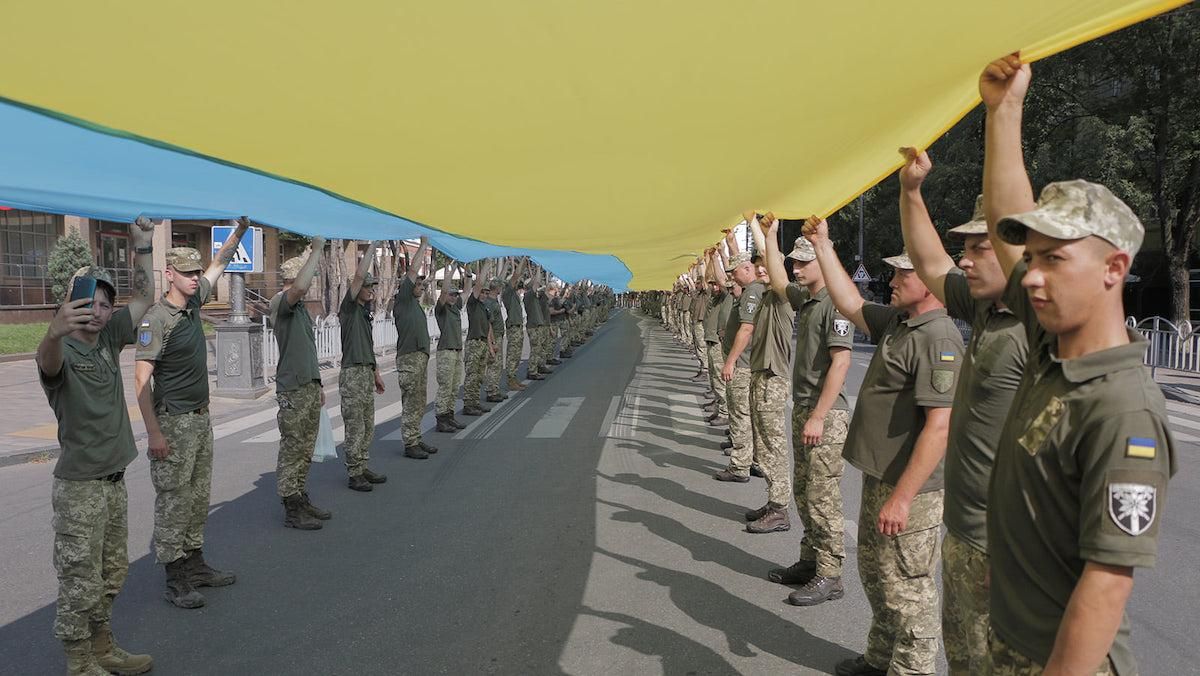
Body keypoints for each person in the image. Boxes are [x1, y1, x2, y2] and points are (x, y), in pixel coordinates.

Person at [981, 53, 1175, 676]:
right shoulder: (1053, 345)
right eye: (1032, 258)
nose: (1031, 276)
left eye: (1055, 259)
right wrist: (1004, 112)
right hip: (1012, 642)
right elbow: (1004, 221)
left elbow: (1107, 583)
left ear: (1114, 269)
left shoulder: (1123, 408)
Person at [807, 214, 962, 676]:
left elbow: (939, 427)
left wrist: (903, 497)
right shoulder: (900, 321)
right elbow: (850, 301)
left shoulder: (939, 338)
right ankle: (880, 659)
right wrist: (823, 245)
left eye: (901, 274)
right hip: (882, 478)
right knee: (877, 576)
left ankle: (912, 669)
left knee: (908, 588)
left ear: (930, 281)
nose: (891, 282)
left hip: (911, 490)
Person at [897, 150, 1027, 674]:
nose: (965, 260)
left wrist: (1003, 114)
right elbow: (931, 263)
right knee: (964, 661)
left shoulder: (1039, 328)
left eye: (980, 247)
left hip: (1004, 547)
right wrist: (910, 193)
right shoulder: (986, 309)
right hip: (965, 533)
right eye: (964, 249)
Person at [38, 217, 157, 676]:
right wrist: (53, 332)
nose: (98, 311)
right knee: (79, 582)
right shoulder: (61, 350)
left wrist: (142, 246)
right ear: (69, 306)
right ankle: (79, 661)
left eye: (105, 304)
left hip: (113, 482)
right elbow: (46, 363)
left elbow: (144, 298)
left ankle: (103, 647)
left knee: (111, 574)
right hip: (80, 488)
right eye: (88, 302)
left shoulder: (108, 338)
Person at [134, 219, 248, 609]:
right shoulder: (156, 319)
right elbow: (141, 380)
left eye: (196, 272)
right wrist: (154, 433)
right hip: (174, 422)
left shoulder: (194, 303)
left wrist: (239, 232)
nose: (196, 277)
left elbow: (220, 262)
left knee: (198, 498)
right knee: (174, 501)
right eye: (187, 273)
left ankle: (195, 564)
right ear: (170, 275)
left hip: (200, 419)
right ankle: (175, 578)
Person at [762, 227, 853, 607]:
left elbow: (841, 362)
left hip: (825, 415)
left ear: (821, 262)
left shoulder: (836, 302)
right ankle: (811, 560)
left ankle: (830, 574)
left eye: (803, 262)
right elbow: (778, 282)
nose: (796, 269)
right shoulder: (809, 299)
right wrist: (768, 237)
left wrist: (818, 415)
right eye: (794, 262)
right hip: (806, 409)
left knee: (823, 496)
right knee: (804, 492)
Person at [270, 237, 334, 530]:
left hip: (307, 385)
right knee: (293, 448)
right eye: (307, 277)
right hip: (292, 388)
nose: (310, 283)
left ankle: (300, 496)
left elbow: (307, 350)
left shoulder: (300, 310)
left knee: (306, 448)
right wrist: (316, 250)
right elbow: (297, 289)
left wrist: (317, 384)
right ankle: (291, 508)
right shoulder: (280, 302)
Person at [739, 214, 797, 535]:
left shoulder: (781, 297)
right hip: (760, 375)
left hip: (773, 379)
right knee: (763, 446)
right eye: (758, 266)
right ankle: (773, 501)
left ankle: (779, 509)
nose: (762, 270)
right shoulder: (762, 298)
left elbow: (773, 263)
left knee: (774, 446)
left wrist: (758, 228)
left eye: (766, 267)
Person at [338, 240, 389, 493]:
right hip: (352, 374)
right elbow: (358, 276)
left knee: (368, 424)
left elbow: (368, 347)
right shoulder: (348, 308)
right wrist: (372, 245)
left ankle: (362, 464)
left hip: (365, 372)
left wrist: (376, 373)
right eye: (367, 286)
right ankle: (354, 471)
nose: (370, 290)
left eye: (372, 287)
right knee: (355, 425)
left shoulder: (364, 313)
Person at [393, 236, 439, 458]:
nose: (421, 287)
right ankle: (410, 443)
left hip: (419, 357)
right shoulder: (403, 300)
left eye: (423, 285)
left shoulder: (415, 305)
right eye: (418, 285)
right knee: (411, 401)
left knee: (420, 401)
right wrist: (423, 245)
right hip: (409, 358)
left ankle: (416, 438)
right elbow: (412, 271)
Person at [434, 262, 469, 429]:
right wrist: (453, 269)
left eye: (455, 295)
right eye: (451, 295)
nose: (454, 297)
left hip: (457, 351)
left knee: (454, 386)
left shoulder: (455, 308)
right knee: (446, 387)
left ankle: (449, 415)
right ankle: (441, 418)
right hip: (446, 351)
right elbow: (443, 293)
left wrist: (467, 274)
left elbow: (467, 292)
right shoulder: (441, 309)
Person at [461, 261, 495, 417]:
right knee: (472, 375)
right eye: (482, 292)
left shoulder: (484, 307)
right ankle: (468, 404)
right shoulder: (473, 303)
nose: (484, 295)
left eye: (487, 293)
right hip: (474, 343)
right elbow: (478, 284)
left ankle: (474, 402)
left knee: (479, 375)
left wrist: (490, 346)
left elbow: (487, 327)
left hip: (482, 343)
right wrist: (487, 264)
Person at [501, 257, 529, 391]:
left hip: (518, 327)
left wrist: (524, 265)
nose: (518, 285)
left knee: (517, 355)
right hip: (513, 327)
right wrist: (522, 260)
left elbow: (518, 275)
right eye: (516, 283)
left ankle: (514, 378)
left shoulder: (514, 295)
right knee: (512, 355)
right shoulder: (508, 292)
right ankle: (511, 380)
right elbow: (516, 275)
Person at [482, 274, 508, 403]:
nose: (501, 289)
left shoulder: (494, 300)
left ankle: (495, 389)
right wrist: (492, 343)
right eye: (500, 287)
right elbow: (489, 324)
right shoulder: (490, 303)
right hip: (495, 336)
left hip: (498, 335)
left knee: (497, 365)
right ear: (496, 288)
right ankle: (491, 391)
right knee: (494, 364)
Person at [524, 267, 550, 380]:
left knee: (538, 348)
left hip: (537, 326)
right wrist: (538, 268)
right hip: (533, 326)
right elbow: (537, 282)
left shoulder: (533, 297)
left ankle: (537, 367)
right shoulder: (529, 295)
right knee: (535, 349)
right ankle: (532, 371)